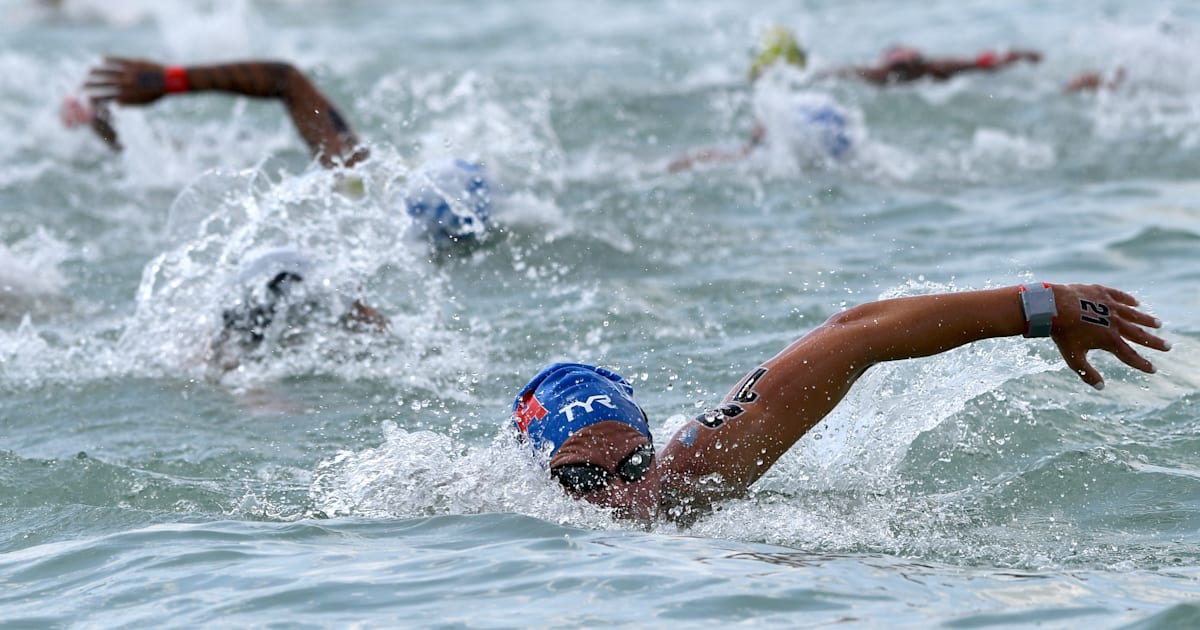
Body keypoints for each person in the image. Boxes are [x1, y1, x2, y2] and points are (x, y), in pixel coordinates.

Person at [510, 282, 1170, 524]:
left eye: (626, 468)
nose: (612, 494)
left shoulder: (695, 467)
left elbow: (853, 335)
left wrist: (1041, 305)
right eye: (580, 477)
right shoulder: (504, 520)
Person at [62, 57, 494, 245]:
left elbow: (285, 79)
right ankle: (107, 126)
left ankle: (106, 126)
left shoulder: (353, 171)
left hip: (287, 204)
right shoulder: (362, 181)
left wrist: (172, 79)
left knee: (181, 168)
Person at [668, 28, 1041, 172]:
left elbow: (744, 154)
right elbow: (901, 70)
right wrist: (988, 62)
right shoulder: (829, 78)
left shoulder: (792, 91)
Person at [206, 246, 388, 373]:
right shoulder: (341, 290)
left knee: (221, 344)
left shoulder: (331, 276)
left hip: (245, 275)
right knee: (247, 358)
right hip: (266, 283)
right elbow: (370, 320)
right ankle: (255, 397)